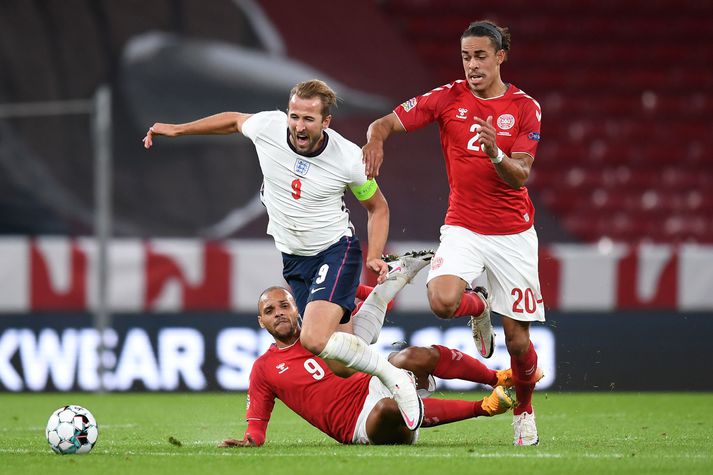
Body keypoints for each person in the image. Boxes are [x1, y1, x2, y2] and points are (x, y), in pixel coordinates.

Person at [143, 79, 422, 430]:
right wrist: (178, 130)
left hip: (336, 251)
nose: (298, 126)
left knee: (313, 339)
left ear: (326, 123)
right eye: (294, 116)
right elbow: (233, 120)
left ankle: (395, 378)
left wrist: (374, 254)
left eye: (308, 119)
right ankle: (384, 293)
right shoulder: (269, 127)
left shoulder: (349, 157)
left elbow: (377, 208)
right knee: (342, 360)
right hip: (294, 259)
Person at [362, 21, 545, 446]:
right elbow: (384, 122)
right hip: (463, 225)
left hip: (513, 234)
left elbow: (519, 176)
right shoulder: (447, 98)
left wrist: (495, 150)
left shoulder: (524, 107)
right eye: (466, 57)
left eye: (481, 56)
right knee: (442, 301)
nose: (472, 65)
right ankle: (476, 304)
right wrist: (375, 141)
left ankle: (524, 410)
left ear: (501, 56)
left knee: (518, 343)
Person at [219, 286, 521, 447]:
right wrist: (250, 441)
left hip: (375, 381)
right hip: (360, 423)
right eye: (270, 311)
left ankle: (497, 376)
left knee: (412, 356)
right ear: (261, 322)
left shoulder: (321, 327)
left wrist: (369, 288)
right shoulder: (264, 368)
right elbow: (257, 426)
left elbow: (374, 301)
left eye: (284, 305)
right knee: (390, 407)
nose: (279, 314)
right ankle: (485, 407)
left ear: (297, 307)